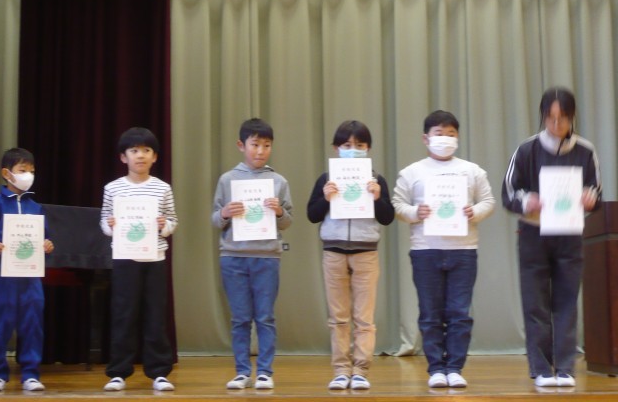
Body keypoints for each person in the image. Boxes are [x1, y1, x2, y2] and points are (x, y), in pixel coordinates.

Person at [502, 87, 601, 388]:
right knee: (536, 303)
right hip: (533, 235)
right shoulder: (527, 149)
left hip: (569, 234)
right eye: (551, 117)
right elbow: (508, 193)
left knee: (567, 301)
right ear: (543, 116)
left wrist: (589, 199)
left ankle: (566, 367)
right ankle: (542, 369)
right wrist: (527, 201)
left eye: (563, 118)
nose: (556, 124)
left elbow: (596, 191)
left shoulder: (585, 150)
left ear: (572, 117)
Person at [392, 110, 495, 389]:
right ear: (426, 138)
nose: (445, 138)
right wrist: (416, 212)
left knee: (460, 313)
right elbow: (397, 205)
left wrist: (474, 211)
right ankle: (436, 368)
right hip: (425, 250)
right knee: (430, 313)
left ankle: (455, 368)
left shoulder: (472, 171)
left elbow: (488, 201)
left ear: (458, 138)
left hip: (464, 250)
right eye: (439, 133)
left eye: (451, 134)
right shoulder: (411, 172)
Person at [307, 120, 395, 390]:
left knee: (364, 318)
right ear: (336, 148)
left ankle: (361, 371)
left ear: (368, 148)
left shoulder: (376, 179)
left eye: (359, 145)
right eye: (347, 145)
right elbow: (312, 214)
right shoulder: (326, 179)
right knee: (338, 317)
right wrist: (325, 198)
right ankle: (341, 370)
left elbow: (388, 217)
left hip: (366, 253)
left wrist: (378, 197)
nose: (353, 149)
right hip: (333, 252)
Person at [212, 118, 293, 390]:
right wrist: (225, 213)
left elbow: (288, 221)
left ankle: (265, 372)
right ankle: (242, 372)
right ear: (241, 145)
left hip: (267, 257)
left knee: (265, 317)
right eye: (255, 144)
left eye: (266, 145)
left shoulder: (278, 181)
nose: (260, 151)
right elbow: (215, 219)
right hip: (233, 257)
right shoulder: (227, 180)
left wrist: (279, 211)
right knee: (240, 318)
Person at [100, 127, 178, 392]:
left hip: (155, 257)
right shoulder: (113, 188)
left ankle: (159, 372)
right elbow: (104, 221)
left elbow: (173, 221)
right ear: (124, 157)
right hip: (124, 258)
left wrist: (164, 225)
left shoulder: (162, 188)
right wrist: (110, 225)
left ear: (154, 157)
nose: (140, 156)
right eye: (134, 151)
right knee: (124, 314)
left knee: (155, 314)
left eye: (146, 150)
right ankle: (118, 372)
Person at [0, 148, 54, 392]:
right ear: (6, 173)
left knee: (32, 325)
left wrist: (46, 246)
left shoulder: (36, 207)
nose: (28, 175)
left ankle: (30, 374)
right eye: (22, 170)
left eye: (32, 171)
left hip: (30, 278)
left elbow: (44, 239)